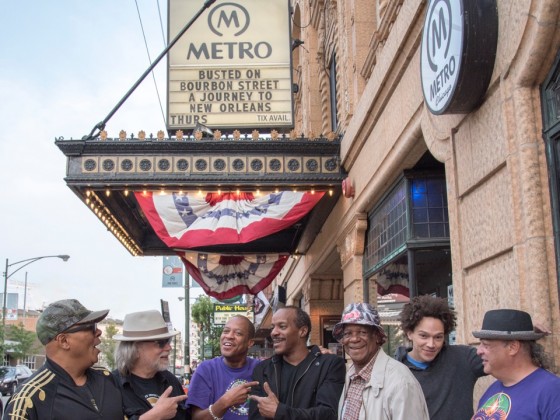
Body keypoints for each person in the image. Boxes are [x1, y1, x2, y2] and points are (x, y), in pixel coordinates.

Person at [3, 299, 124, 419]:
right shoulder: (27, 400)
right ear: (64, 341)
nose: (99, 332)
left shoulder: (107, 379)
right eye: (91, 327)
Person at [396, 295, 485, 420]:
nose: (431, 344)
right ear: (409, 333)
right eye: (424, 336)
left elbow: (506, 361)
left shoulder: (463, 359)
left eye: (438, 337)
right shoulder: (394, 371)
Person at [335, 302, 429, 420]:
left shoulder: (401, 382)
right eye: (348, 333)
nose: (354, 339)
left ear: (377, 336)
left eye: (362, 332)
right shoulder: (351, 375)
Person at [249, 306, 345, 419]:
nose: (273, 333)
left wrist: (279, 412)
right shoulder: (263, 369)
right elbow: (256, 416)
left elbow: (327, 414)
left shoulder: (330, 365)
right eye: (273, 327)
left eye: (282, 326)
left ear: (302, 331)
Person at [471, 308, 560, 419]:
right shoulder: (492, 390)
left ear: (513, 347)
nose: (479, 351)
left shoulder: (552, 390)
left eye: (486, 345)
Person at [112, 310, 188, 419]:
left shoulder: (171, 381)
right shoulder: (112, 385)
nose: (169, 347)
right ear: (135, 348)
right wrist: (155, 416)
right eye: (161, 343)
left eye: (168, 341)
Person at [186, 315, 259, 419]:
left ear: (250, 343)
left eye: (238, 333)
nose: (229, 336)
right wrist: (225, 402)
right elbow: (196, 418)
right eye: (226, 331)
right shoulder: (206, 369)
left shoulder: (261, 369)